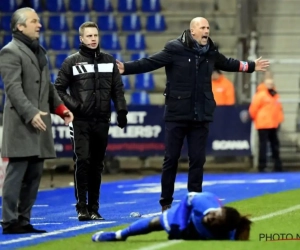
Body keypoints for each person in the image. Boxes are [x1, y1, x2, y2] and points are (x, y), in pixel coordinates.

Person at [116, 17, 270, 212]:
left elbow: (228, 63)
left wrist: (250, 66)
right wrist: (126, 68)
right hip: (176, 113)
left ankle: (194, 199)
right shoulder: (175, 48)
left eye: (208, 28)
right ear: (193, 31)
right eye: (203, 28)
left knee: (197, 160)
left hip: (201, 115)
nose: (207, 31)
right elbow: (150, 62)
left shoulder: (210, 51)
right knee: (171, 159)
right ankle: (166, 203)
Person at [0, 7, 73, 234]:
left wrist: (61, 108)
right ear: (20, 26)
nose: (39, 25)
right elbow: (13, 88)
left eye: (38, 21)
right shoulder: (10, 51)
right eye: (34, 21)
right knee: (17, 173)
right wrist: (30, 113)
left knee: (34, 175)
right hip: (23, 122)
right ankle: (9, 221)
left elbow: (47, 87)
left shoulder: (38, 51)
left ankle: (24, 220)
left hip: (40, 122)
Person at [54, 22, 128, 221]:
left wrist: (121, 110)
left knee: (97, 164)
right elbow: (58, 88)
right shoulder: (71, 62)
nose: (93, 39)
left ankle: (94, 208)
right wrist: (76, 106)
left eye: (95, 35)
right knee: (83, 161)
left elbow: (117, 90)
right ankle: (81, 207)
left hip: (102, 120)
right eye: (89, 36)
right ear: (81, 39)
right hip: (80, 121)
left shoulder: (109, 61)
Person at [92, 191, 252, 242]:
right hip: (185, 218)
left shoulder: (226, 234)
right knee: (156, 223)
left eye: (217, 220)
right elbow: (187, 201)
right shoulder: (203, 202)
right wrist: (180, 227)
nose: (212, 217)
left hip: (198, 232)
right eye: (216, 214)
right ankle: (119, 235)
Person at [249, 78, 284, 172]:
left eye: (271, 83)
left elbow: (279, 108)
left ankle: (277, 165)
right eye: (268, 83)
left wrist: (279, 120)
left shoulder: (275, 95)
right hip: (263, 124)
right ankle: (262, 165)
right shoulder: (260, 94)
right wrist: (258, 119)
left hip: (273, 124)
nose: (270, 85)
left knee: (275, 145)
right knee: (263, 145)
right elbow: (253, 109)